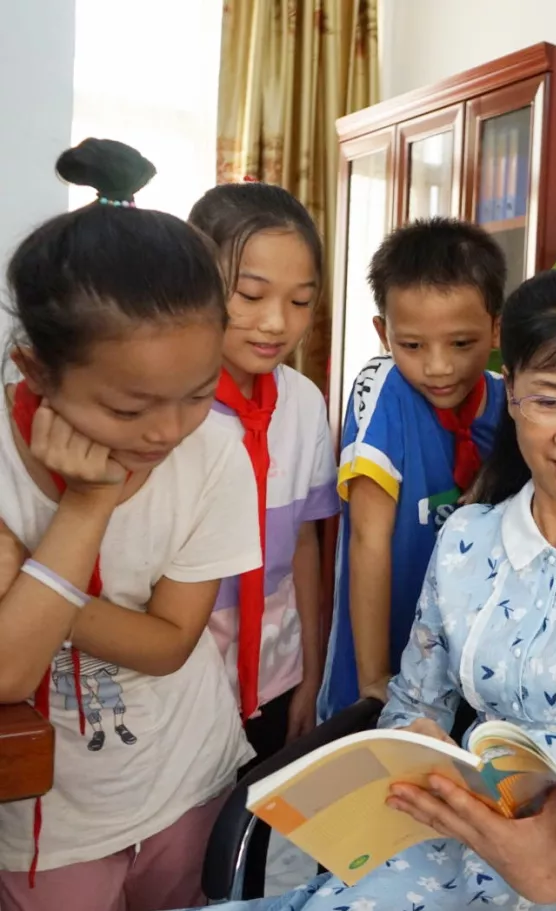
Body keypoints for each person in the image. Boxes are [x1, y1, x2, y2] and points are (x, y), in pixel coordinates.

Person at [191, 268, 556, 911]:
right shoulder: (468, 538)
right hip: (463, 829)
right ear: (512, 393)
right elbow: (413, 704)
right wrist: (418, 750)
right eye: (549, 401)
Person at [0, 139, 260, 911]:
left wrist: (27, 586)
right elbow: (7, 672)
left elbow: (170, 642)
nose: (167, 431)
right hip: (50, 818)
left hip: (187, 781)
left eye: (198, 392)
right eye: (127, 407)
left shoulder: (215, 451)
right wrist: (86, 507)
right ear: (35, 369)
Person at [317, 218, 508, 721]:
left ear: (496, 328)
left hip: (467, 674)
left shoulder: (510, 401)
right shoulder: (384, 388)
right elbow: (369, 538)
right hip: (379, 666)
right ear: (384, 333)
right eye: (413, 345)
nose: (438, 367)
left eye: (461, 343)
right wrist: (372, 679)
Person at [189, 182, 338, 752]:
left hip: (277, 674)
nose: (276, 323)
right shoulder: (165, 411)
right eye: (250, 295)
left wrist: (311, 673)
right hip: (179, 686)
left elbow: (304, 543)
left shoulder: (303, 403)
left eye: (300, 302)